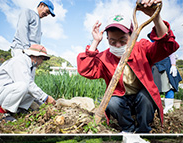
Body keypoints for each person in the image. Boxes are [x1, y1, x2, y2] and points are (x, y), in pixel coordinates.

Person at [77, 0, 179, 133]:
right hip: (122, 100)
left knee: (146, 97)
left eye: (123, 41)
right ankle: (128, 128)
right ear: (107, 39)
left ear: (132, 36)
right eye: (113, 41)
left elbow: (166, 45)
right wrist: (95, 42)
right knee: (112, 101)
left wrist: (156, 17)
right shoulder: (105, 57)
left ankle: (143, 129)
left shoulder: (141, 48)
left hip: (142, 99)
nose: (118, 45)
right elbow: (86, 69)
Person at [0, 44, 56, 122]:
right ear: (35, 56)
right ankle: (1, 114)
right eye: (42, 59)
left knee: (32, 92)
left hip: (2, 94)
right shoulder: (19, 61)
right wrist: (46, 98)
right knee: (23, 86)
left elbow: (32, 89)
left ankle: (19, 110)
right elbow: (28, 84)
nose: (42, 62)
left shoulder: (29, 66)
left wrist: (43, 102)